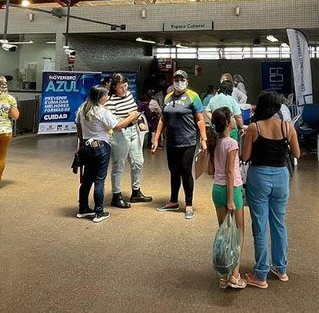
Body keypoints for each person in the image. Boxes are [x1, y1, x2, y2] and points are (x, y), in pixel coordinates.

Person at [241, 90, 300, 289]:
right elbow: (297, 154)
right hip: (281, 177)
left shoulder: (254, 127)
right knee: (279, 223)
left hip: (259, 177)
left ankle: (261, 274)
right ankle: (281, 269)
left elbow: (245, 156)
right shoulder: (287, 126)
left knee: (260, 226)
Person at [76, 85, 139, 223]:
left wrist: (82, 143)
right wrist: (132, 117)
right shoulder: (102, 112)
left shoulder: (83, 109)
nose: (107, 97)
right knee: (99, 181)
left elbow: (78, 128)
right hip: (100, 147)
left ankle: (83, 209)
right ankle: (99, 212)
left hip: (87, 146)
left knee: (87, 180)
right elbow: (117, 126)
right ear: (101, 97)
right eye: (106, 95)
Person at [152, 70, 207, 219]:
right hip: (171, 142)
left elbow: (200, 119)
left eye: (182, 79)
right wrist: (156, 138)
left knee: (186, 171)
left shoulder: (193, 96)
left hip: (187, 141)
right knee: (174, 171)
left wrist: (203, 139)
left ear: (187, 81)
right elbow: (162, 119)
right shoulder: (168, 97)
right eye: (176, 79)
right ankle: (173, 201)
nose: (179, 82)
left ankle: (188, 204)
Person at [207, 107, 247, 290]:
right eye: (231, 117)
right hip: (232, 190)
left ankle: (223, 276)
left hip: (217, 189)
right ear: (227, 123)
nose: (234, 120)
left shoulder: (215, 142)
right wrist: (231, 199)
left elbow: (211, 171)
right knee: (238, 233)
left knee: (224, 233)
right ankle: (235, 276)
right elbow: (230, 172)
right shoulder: (232, 143)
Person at [106, 73, 151, 207]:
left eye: (126, 85)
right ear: (114, 87)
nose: (124, 89)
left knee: (138, 162)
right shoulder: (110, 101)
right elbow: (116, 125)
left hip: (133, 131)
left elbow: (135, 112)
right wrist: (131, 117)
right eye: (121, 87)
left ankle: (136, 192)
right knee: (118, 166)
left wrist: (139, 121)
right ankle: (116, 196)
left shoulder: (129, 95)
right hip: (119, 134)